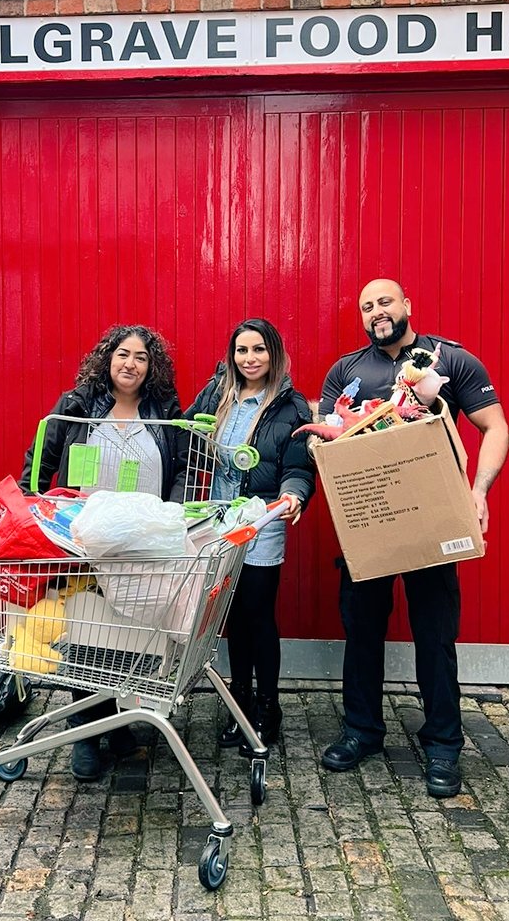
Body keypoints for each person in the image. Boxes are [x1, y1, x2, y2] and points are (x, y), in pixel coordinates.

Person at [318, 278, 509, 798]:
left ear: (407, 305)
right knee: (361, 632)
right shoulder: (345, 372)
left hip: (431, 520)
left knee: (434, 634)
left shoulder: (451, 360)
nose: (377, 312)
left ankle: (444, 744)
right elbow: (328, 444)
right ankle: (362, 731)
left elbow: (497, 428)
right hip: (369, 521)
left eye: (385, 302)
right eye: (367, 307)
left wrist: (479, 491)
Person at [19, 324, 187, 781]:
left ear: (151, 367)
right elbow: (38, 464)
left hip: (140, 545)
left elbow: (180, 471)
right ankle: (84, 733)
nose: (130, 364)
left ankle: (117, 724)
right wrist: (32, 511)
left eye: (141, 357)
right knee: (87, 635)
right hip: (84, 544)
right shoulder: (76, 406)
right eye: (122, 354)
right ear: (107, 359)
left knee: (125, 637)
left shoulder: (164, 410)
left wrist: (170, 519)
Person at [185, 318, 315, 752]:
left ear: (273, 353)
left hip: (262, 523)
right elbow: (185, 437)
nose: (250, 358)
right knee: (232, 620)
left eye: (258, 350)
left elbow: (298, 465)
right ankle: (238, 703)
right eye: (242, 351)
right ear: (232, 355)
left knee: (258, 618)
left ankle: (267, 707)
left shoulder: (289, 406)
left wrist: (293, 494)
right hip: (219, 522)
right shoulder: (216, 394)